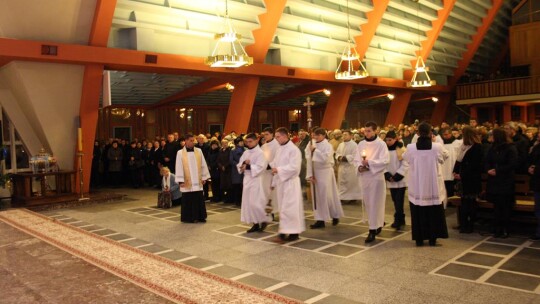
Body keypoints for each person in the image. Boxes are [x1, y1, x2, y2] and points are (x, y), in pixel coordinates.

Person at [403, 122, 449, 247]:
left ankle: (419, 238)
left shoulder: (411, 147)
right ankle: (433, 239)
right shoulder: (437, 147)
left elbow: (405, 158)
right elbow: (445, 157)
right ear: (430, 133)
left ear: (417, 133)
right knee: (433, 211)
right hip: (432, 185)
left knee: (418, 211)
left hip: (418, 186)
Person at [353, 121, 389, 243]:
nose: (366, 133)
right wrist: (359, 167)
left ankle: (372, 230)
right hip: (365, 178)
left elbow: (385, 160)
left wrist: (370, 163)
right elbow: (356, 159)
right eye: (365, 131)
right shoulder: (361, 144)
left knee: (376, 203)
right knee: (369, 203)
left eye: (369, 131)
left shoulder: (381, 144)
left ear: (375, 131)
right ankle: (376, 225)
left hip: (376, 178)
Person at [271, 127, 305, 242]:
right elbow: (275, 164)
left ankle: (288, 233)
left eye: (277, 137)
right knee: (284, 208)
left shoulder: (293, 150)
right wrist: (273, 181)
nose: (276, 139)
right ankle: (289, 232)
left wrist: (278, 170)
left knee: (289, 208)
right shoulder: (280, 149)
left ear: (285, 136)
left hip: (291, 183)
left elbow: (295, 168)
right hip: (282, 182)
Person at [305, 127, 344, 229]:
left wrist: (315, 151)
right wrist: (310, 174)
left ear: (323, 135)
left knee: (327, 196)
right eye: (314, 135)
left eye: (317, 135)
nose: (315, 137)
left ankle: (335, 215)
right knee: (317, 197)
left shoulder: (328, 145)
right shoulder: (311, 143)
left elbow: (326, 159)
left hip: (325, 172)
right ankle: (320, 219)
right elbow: (308, 158)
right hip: (315, 172)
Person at [485, 128, 518, 238]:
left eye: (493, 135)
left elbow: (512, 164)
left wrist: (498, 171)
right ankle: (496, 228)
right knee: (497, 206)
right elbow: (487, 160)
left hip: (505, 181)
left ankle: (505, 229)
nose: (491, 137)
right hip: (494, 181)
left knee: (505, 206)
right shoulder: (492, 148)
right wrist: (489, 169)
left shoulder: (510, 148)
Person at [453, 126, 483, 233]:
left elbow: (474, 165)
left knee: (471, 203)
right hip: (463, 179)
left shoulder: (477, 147)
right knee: (464, 202)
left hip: (471, 179)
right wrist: (455, 172)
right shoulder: (463, 146)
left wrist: (462, 175)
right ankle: (463, 224)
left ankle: (470, 225)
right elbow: (458, 160)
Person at [175, 133, 211, 223]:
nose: (193, 142)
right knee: (188, 199)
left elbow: (203, 164)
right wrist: (180, 181)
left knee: (198, 198)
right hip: (187, 181)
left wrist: (204, 177)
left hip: (197, 180)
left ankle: (200, 216)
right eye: (191, 140)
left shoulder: (199, 151)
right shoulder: (180, 153)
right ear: (186, 141)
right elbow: (178, 166)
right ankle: (189, 217)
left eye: (193, 140)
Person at [237, 133, 269, 233]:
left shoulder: (260, 153)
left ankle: (263, 219)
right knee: (249, 203)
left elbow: (261, 167)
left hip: (256, 180)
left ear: (256, 141)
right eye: (247, 142)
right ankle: (255, 223)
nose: (248, 143)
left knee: (256, 202)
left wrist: (248, 166)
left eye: (250, 141)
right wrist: (242, 164)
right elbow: (239, 164)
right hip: (247, 180)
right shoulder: (246, 153)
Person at [384, 130, 408, 231]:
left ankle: (397, 219)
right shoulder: (384, 150)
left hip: (400, 179)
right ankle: (401, 218)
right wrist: (387, 175)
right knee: (394, 200)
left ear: (395, 139)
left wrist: (398, 175)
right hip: (391, 179)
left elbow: (406, 163)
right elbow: (383, 163)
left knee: (399, 200)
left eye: (390, 140)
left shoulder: (401, 149)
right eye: (387, 140)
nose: (388, 142)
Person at [335, 130, 362, 203]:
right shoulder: (341, 144)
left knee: (350, 183)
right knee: (342, 182)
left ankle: (353, 197)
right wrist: (339, 157)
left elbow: (355, 155)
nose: (344, 136)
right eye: (343, 135)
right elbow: (337, 153)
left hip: (350, 167)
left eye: (346, 135)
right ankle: (342, 197)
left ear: (351, 136)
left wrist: (345, 158)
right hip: (342, 166)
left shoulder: (354, 145)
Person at [261, 127, 280, 217]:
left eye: (267, 134)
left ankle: (273, 211)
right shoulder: (264, 146)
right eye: (264, 134)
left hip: (273, 172)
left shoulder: (277, 145)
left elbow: (278, 157)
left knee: (273, 193)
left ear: (272, 134)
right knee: (266, 192)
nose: (265, 136)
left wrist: (272, 166)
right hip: (265, 173)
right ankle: (268, 210)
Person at [528, 132, 540, 240]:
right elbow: (531, 159)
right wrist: (530, 167)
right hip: (537, 181)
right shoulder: (536, 147)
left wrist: (535, 168)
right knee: (538, 208)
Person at [230, 137, 245, 206]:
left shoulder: (245, 150)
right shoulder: (233, 150)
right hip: (236, 170)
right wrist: (238, 164)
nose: (242, 143)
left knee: (243, 186)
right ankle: (237, 201)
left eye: (242, 141)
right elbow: (231, 160)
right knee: (237, 186)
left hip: (244, 169)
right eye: (240, 142)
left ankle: (243, 201)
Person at [217, 139, 232, 203]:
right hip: (222, 170)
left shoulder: (230, 150)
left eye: (226, 143)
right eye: (223, 143)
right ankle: (224, 198)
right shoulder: (220, 151)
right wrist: (221, 166)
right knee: (223, 184)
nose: (224, 144)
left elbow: (230, 160)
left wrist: (225, 166)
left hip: (228, 169)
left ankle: (229, 198)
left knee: (229, 184)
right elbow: (218, 160)